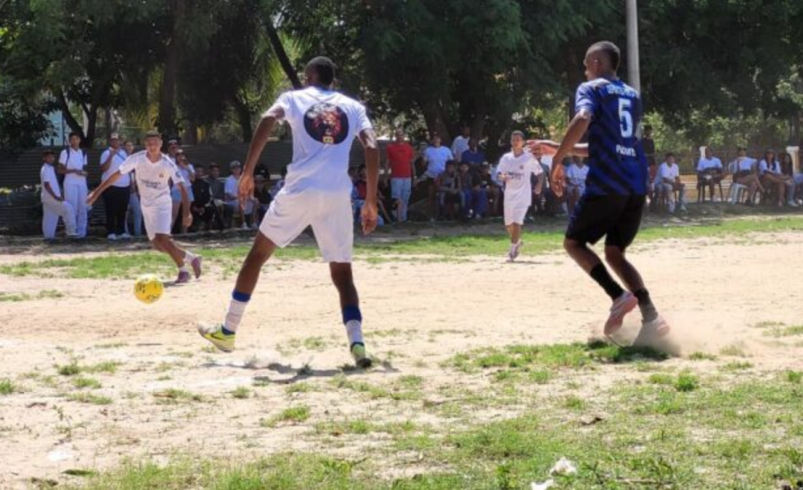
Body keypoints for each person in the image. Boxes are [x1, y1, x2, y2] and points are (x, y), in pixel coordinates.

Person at [198, 56, 379, 368]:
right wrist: (372, 201)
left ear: (309, 77)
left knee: (257, 256)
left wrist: (248, 171)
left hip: (300, 190)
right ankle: (358, 343)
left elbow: (268, 119)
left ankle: (228, 331)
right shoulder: (352, 106)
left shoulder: (294, 98)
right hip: (337, 193)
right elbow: (373, 147)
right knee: (342, 273)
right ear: (332, 81)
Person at [534, 41, 669, 338]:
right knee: (614, 252)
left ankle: (619, 297)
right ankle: (652, 316)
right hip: (635, 185)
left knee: (573, 243)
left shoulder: (592, 88)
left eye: (585, 64)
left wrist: (556, 162)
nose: (584, 71)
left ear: (596, 62)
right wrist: (559, 148)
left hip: (608, 183)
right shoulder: (632, 96)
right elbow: (606, 145)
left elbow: (583, 119)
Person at [87, 130, 202, 283]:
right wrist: (96, 193)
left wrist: (187, 213)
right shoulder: (137, 159)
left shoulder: (167, 163)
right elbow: (115, 175)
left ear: (161, 144)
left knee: (163, 239)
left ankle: (183, 271)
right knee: (158, 245)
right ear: (145, 145)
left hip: (162, 204)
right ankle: (192, 258)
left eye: (155, 143)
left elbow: (183, 188)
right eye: (149, 144)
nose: (152, 146)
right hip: (146, 205)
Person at [497, 131, 543, 261]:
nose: (515, 142)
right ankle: (517, 241)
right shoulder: (506, 158)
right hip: (509, 195)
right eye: (513, 139)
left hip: (523, 196)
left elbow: (540, 173)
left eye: (518, 139)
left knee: (517, 223)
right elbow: (499, 173)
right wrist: (502, 177)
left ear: (523, 142)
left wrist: (539, 184)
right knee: (508, 225)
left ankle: (512, 251)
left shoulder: (529, 158)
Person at [40, 149, 78, 239]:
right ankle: (71, 232)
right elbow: (46, 185)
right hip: (51, 198)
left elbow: (53, 184)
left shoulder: (50, 168)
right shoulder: (45, 169)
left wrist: (59, 194)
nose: (51, 159)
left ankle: (48, 237)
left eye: (52, 157)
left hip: (48, 198)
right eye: (49, 157)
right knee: (69, 209)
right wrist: (55, 196)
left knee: (49, 218)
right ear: (44, 158)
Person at [100, 133, 130, 240]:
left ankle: (121, 231)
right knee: (111, 209)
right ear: (110, 141)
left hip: (124, 186)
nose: (115, 142)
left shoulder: (124, 153)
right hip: (111, 186)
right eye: (113, 140)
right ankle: (111, 232)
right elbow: (103, 168)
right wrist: (111, 156)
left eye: (117, 140)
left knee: (122, 210)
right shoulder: (105, 153)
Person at [58, 132, 89, 238]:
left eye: (77, 139)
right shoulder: (65, 152)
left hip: (82, 183)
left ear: (79, 140)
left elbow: (85, 170)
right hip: (70, 183)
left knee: (83, 208)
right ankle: (71, 232)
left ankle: (82, 233)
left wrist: (84, 173)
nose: (75, 141)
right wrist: (73, 171)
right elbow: (60, 169)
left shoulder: (83, 152)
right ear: (69, 141)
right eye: (72, 139)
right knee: (72, 208)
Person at [385, 129, 415, 222]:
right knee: (396, 197)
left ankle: (403, 218)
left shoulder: (409, 147)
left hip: (407, 176)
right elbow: (387, 163)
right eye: (398, 135)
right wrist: (386, 177)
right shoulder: (390, 148)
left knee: (405, 197)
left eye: (401, 134)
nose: (400, 136)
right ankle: (395, 217)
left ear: (404, 136)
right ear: (395, 136)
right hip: (396, 177)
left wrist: (415, 176)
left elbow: (411, 163)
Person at [191, 166, 224, 231]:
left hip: (203, 206)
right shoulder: (190, 184)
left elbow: (209, 198)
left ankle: (212, 226)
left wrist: (203, 207)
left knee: (211, 209)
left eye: (200, 172)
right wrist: (193, 207)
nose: (199, 173)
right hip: (192, 206)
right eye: (197, 171)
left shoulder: (206, 184)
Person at [171, 149, 196, 232]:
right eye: (178, 155)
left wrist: (186, 168)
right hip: (177, 190)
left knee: (186, 213)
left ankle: (184, 233)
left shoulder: (189, 166)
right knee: (174, 214)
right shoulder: (173, 166)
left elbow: (193, 179)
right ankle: (167, 233)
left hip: (187, 190)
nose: (180, 157)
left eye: (182, 154)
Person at [224, 161, 252, 228]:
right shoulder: (228, 180)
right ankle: (243, 223)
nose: (237, 170)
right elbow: (228, 195)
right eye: (234, 168)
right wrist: (239, 197)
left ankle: (253, 222)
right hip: (232, 201)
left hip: (242, 198)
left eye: (238, 168)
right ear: (231, 170)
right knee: (241, 202)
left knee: (254, 202)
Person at [124, 140, 143, 237]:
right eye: (127, 145)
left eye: (131, 145)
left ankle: (138, 233)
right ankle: (125, 233)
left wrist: (136, 186)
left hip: (134, 190)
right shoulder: (122, 158)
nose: (129, 147)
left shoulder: (135, 159)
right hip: (124, 189)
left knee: (138, 211)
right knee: (125, 213)